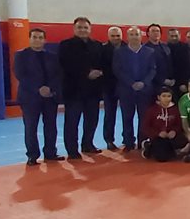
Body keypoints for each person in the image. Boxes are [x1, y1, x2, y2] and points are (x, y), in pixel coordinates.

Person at [15, 28, 64, 165]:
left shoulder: (52, 56)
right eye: (35, 37)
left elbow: (57, 75)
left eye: (40, 37)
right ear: (30, 39)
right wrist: (38, 88)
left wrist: (50, 88)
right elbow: (20, 75)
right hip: (29, 97)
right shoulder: (21, 55)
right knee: (31, 127)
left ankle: (50, 153)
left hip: (50, 96)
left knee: (51, 126)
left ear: (45, 40)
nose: (37, 40)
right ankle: (32, 155)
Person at [58, 17, 104, 158]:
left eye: (85, 27)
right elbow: (65, 65)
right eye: (80, 27)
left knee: (92, 120)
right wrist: (86, 73)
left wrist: (99, 72)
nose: (83, 30)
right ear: (74, 29)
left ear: (90, 29)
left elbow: (102, 63)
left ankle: (87, 144)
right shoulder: (65, 45)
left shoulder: (97, 45)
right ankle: (72, 150)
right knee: (72, 122)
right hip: (73, 90)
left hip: (93, 91)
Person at [112, 26, 156, 152]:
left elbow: (153, 69)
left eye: (137, 34)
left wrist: (144, 83)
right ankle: (128, 142)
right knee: (127, 117)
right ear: (127, 37)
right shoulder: (119, 52)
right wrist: (131, 83)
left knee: (144, 117)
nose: (134, 37)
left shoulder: (150, 52)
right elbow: (117, 70)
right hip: (126, 90)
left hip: (144, 90)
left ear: (141, 36)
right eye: (131, 34)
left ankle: (143, 142)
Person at [140, 87, 187, 162]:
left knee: (184, 141)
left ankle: (169, 151)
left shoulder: (175, 109)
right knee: (162, 158)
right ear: (159, 97)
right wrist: (158, 133)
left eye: (169, 96)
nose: (166, 99)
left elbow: (178, 124)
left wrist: (174, 131)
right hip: (157, 137)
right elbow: (145, 127)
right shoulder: (152, 110)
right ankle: (149, 146)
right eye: (164, 96)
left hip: (171, 136)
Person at [101, 26, 124, 150]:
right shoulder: (102, 49)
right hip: (109, 86)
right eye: (113, 36)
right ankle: (109, 140)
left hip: (126, 86)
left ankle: (128, 139)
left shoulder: (128, 48)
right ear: (108, 36)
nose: (116, 38)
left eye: (118, 35)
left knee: (128, 114)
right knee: (110, 114)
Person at [145, 24, 174, 94]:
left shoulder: (166, 47)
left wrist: (172, 79)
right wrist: (162, 80)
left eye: (157, 31)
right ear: (148, 33)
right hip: (152, 85)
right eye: (153, 31)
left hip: (169, 84)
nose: (156, 33)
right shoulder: (145, 49)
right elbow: (147, 69)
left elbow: (171, 63)